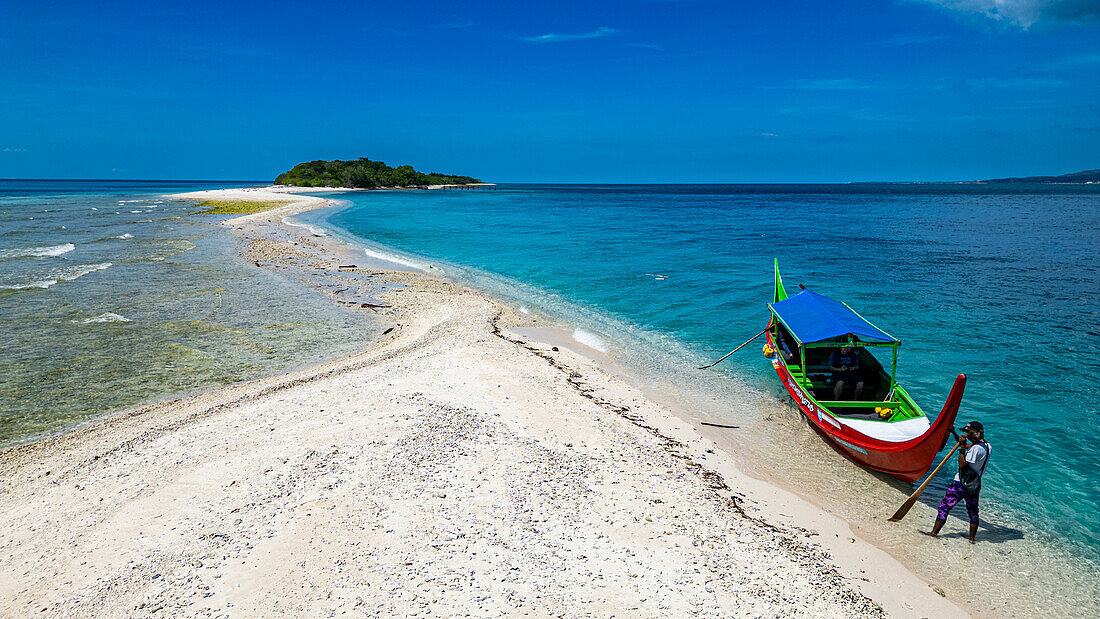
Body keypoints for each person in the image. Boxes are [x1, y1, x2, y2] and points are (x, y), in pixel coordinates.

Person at [924, 421, 991, 544]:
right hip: (974, 485)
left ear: (980, 432)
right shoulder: (986, 446)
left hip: (960, 483)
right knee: (973, 511)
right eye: (967, 433)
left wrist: (961, 448)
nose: (968, 435)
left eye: (970, 433)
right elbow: (964, 445)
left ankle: (934, 533)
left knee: (944, 507)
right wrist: (955, 434)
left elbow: (962, 464)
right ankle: (971, 539)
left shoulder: (975, 449)